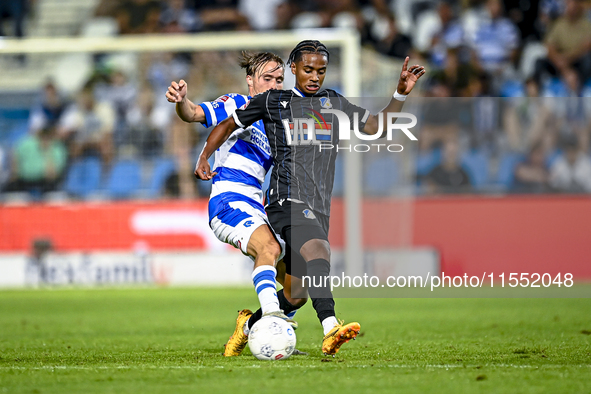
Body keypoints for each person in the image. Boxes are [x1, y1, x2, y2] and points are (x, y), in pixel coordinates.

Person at [195, 40, 425, 355]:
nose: (315, 76)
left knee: (298, 291)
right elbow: (229, 123)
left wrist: (400, 94)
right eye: (308, 70)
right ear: (293, 69)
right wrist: (206, 155)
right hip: (285, 199)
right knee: (319, 249)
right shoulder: (274, 102)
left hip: (318, 204)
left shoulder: (334, 102)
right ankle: (330, 327)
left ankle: (248, 327)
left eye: (321, 70)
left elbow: (376, 128)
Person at [166, 51, 308, 357]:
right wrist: (181, 101)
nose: (273, 84)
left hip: (258, 206)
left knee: (297, 291)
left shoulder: (280, 125)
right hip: (228, 200)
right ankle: (273, 321)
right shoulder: (237, 104)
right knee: (268, 248)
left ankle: (248, 327)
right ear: (250, 81)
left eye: (279, 79)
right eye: (266, 78)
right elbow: (193, 114)